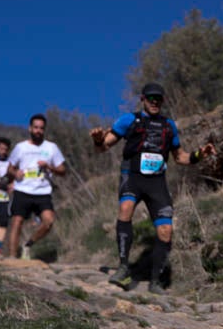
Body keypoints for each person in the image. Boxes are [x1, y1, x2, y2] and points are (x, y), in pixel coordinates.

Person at [90, 83, 216, 292]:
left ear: (163, 101)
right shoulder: (129, 120)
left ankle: (156, 281)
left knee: (166, 229)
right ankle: (123, 268)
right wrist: (97, 140)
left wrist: (199, 155)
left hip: (157, 182)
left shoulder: (169, 126)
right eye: (151, 99)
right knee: (125, 208)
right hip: (132, 177)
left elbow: (180, 157)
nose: (155, 102)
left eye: (158, 99)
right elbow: (104, 146)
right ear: (143, 99)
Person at [7, 114, 67, 259]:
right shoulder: (21, 147)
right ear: (30, 128)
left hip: (43, 191)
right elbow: (9, 168)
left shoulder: (51, 148)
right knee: (17, 221)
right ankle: (12, 257)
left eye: (41, 128)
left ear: (44, 130)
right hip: (23, 190)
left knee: (49, 221)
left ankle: (28, 244)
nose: (38, 131)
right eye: (36, 127)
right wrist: (16, 173)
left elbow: (63, 170)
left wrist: (49, 166)